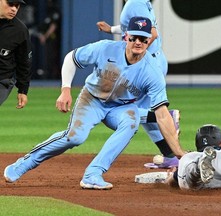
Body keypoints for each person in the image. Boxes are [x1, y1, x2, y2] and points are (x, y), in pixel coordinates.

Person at [4, 16, 186, 190]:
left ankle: (93, 174)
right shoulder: (105, 49)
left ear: (149, 41)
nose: (138, 42)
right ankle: (24, 164)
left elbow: (162, 114)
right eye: (134, 37)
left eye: (143, 39)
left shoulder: (152, 71)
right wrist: (65, 89)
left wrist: (178, 153)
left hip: (122, 107)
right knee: (75, 137)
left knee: (131, 122)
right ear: (126, 36)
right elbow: (71, 58)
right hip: (92, 100)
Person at [97, 0, 180, 169]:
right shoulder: (140, 2)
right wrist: (111, 30)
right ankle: (170, 156)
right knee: (143, 112)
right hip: (154, 59)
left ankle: (166, 117)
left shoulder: (134, 4)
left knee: (123, 107)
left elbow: (151, 33)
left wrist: (138, 54)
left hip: (147, 64)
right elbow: (134, 28)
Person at [0, 0, 32, 108]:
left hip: (2, 79)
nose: (14, 9)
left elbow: (24, 61)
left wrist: (23, 89)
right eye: (10, 4)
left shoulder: (20, 30)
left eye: (17, 6)